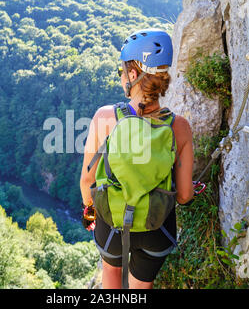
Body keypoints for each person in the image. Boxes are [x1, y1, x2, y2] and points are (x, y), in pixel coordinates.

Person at [80, 28, 194, 289]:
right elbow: (185, 195)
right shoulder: (181, 128)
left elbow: (88, 181)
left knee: (111, 274)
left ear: (133, 74)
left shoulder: (105, 118)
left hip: (112, 225)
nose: (121, 77)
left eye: (122, 71)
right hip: (158, 228)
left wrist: (90, 212)